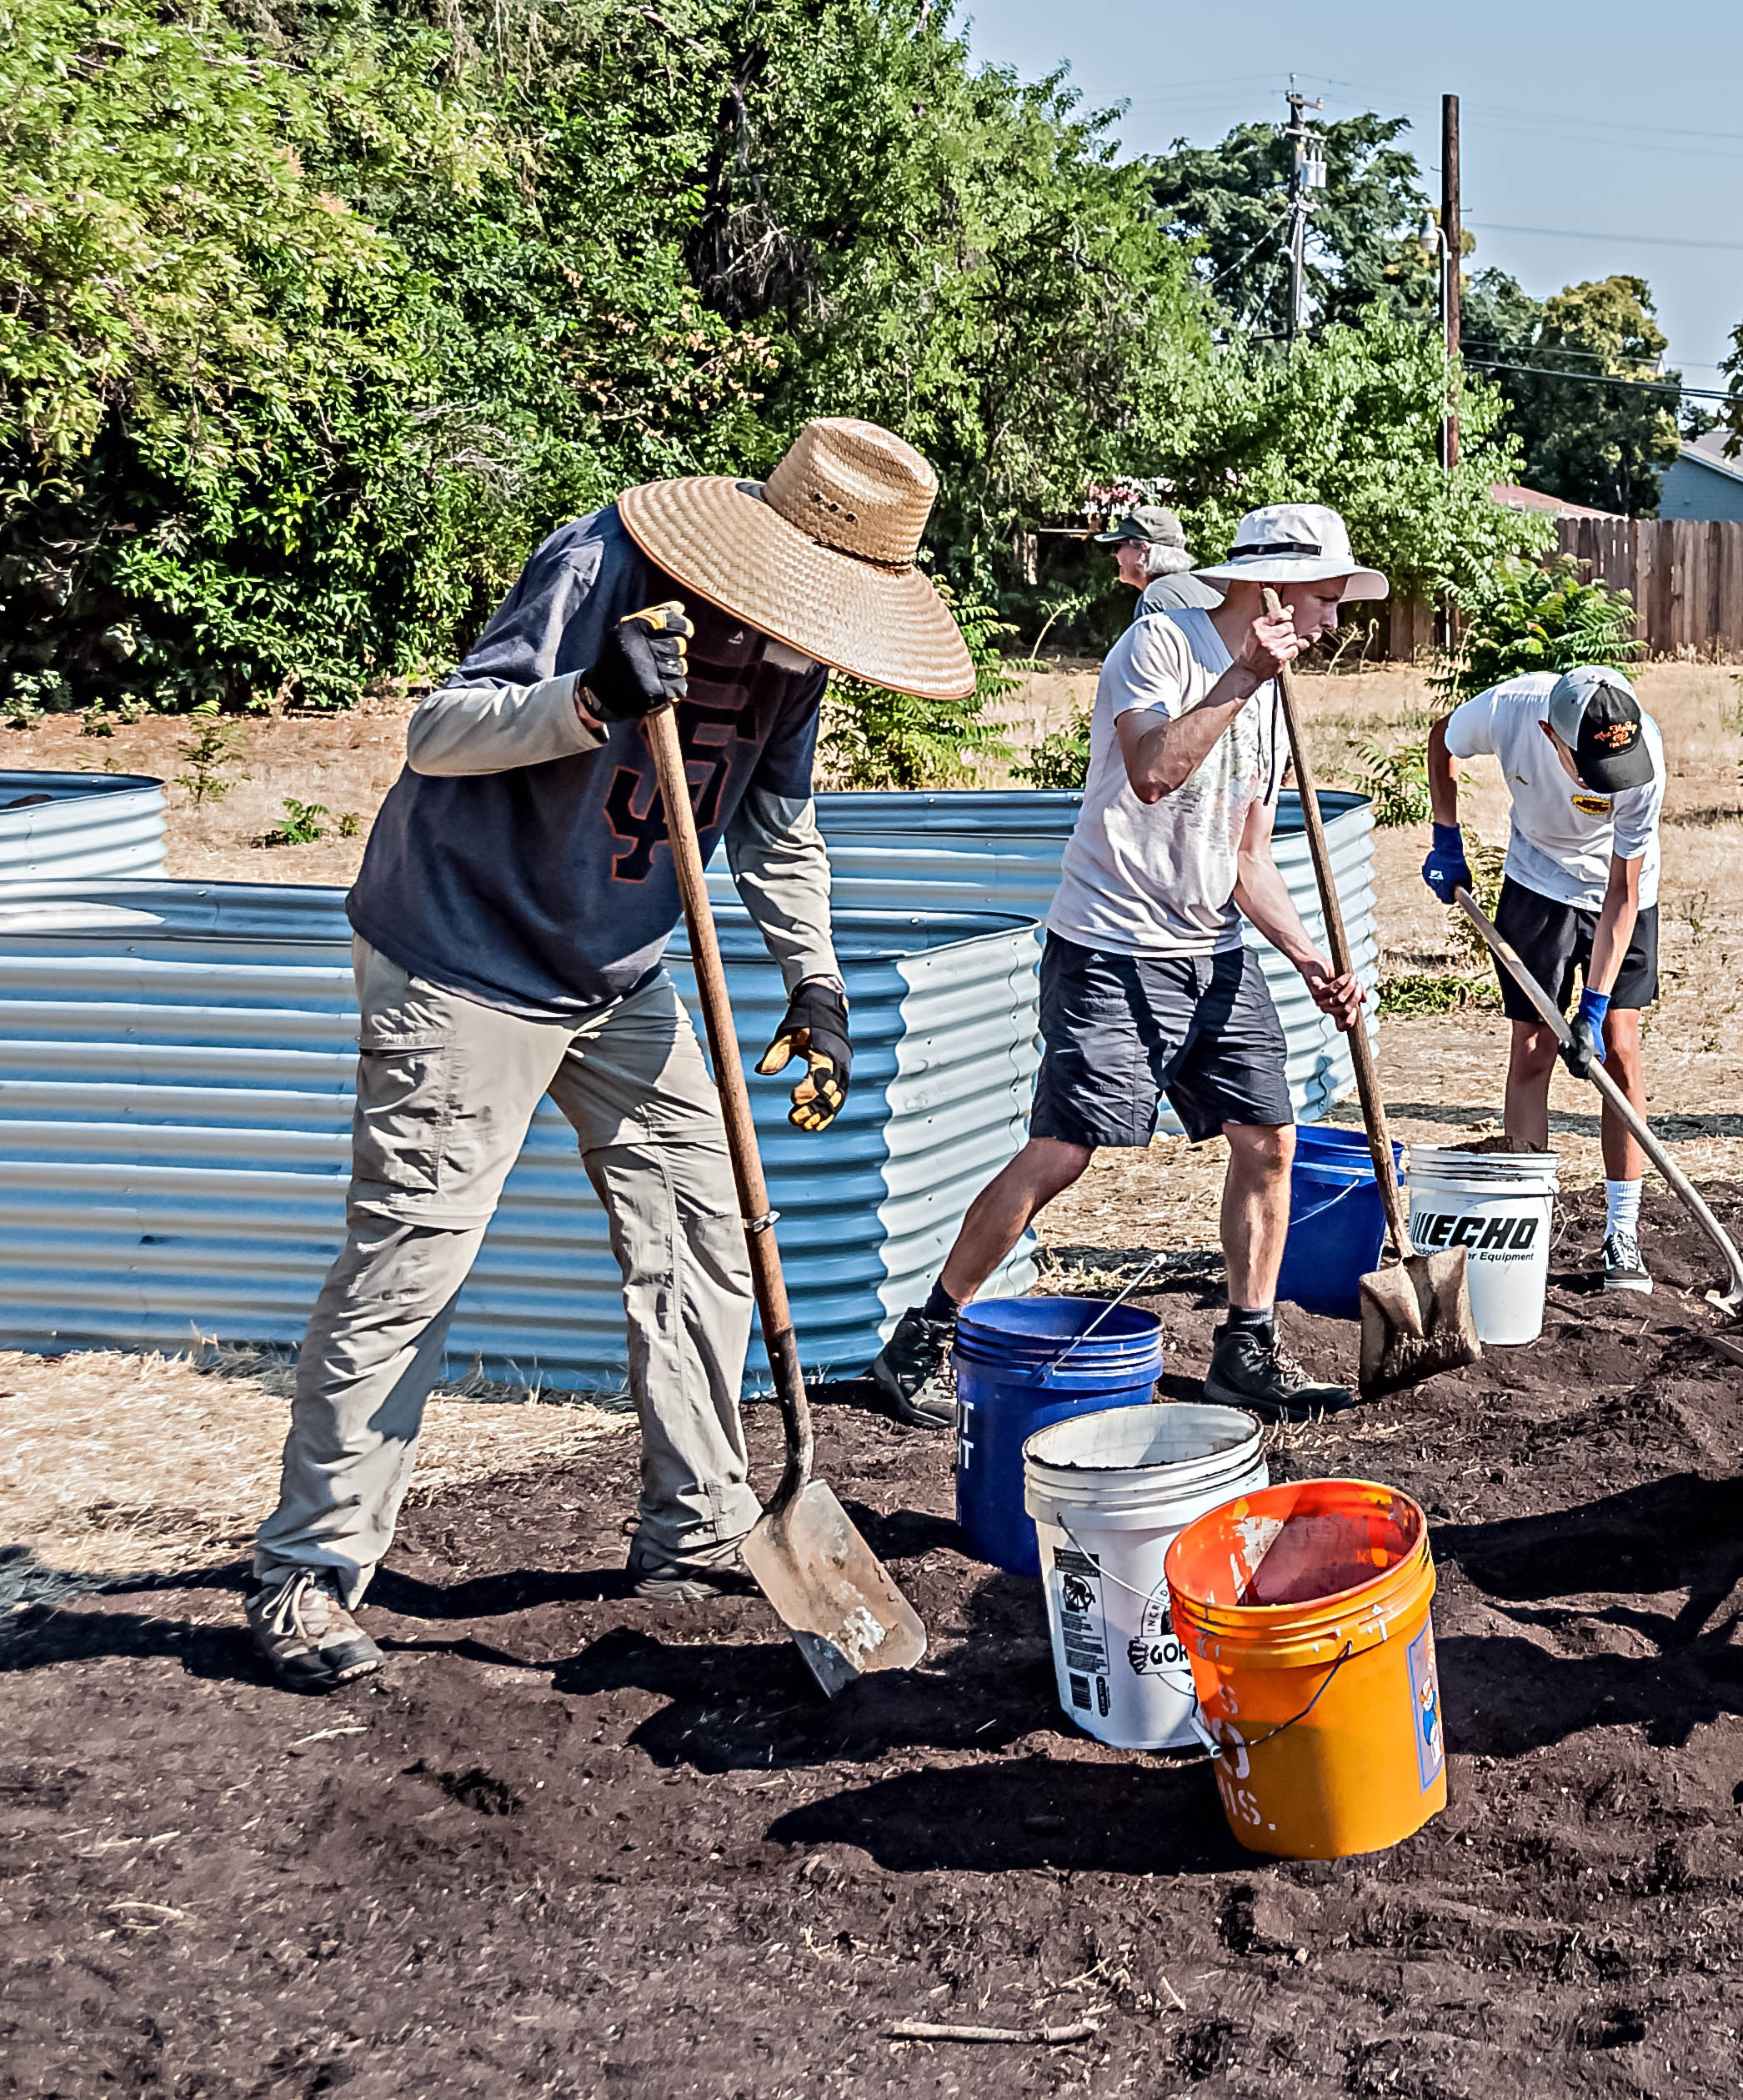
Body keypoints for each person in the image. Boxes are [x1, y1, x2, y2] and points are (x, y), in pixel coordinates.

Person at [245, 418, 975, 1694]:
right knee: (411, 1260)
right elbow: (439, 730)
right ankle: (308, 1570)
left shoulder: (798, 663)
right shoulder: (604, 566)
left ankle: (694, 1521)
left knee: (703, 1230)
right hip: (462, 952)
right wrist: (586, 703)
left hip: (617, 975)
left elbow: (779, 826)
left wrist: (819, 985)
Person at [868, 503, 1379, 1426]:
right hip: (1109, 945)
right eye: (1325, 596)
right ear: (1269, 588)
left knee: (1270, 1141)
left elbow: (1245, 857)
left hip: (1209, 951)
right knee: (1064, 1151)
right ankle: (924, 1335)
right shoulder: (1160, 650)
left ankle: (1245, 1347)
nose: (1335, 618)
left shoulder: (1270, 698)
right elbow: (1152, 771)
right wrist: (1240, 677)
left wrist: (1307, 956)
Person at [1421, 665, 1669, 1294]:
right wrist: (1445, 837)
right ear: (1550, 735)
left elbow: (1622, 891)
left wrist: (1592, 1005)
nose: (1604, 783)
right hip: (1538, 881)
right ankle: (1524, 1227)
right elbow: (1441, 738)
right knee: (1533, 1051)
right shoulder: (1510, 709)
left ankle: (1623, 1233)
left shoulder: (1643, 757)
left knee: (1619, 1049)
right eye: (1588, 765)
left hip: (1621, 893)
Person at [1092, 503, 1222, 616]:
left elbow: (1148, 645)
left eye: (1117, 547)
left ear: (1143, 550)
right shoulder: (1207, 591)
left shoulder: (1155, 598)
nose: (1115, 555)